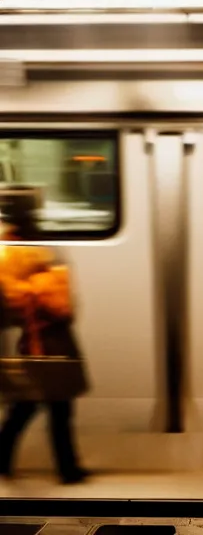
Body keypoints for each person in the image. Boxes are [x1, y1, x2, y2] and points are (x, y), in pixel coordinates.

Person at [0, 190, 90, 484]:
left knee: (31, 406)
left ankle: (62, 466)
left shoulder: (16, 247)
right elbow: (53, 300)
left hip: (43, 336)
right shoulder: (25, 248)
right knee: (55, 405)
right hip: (45, 337)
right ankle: (68, 469)